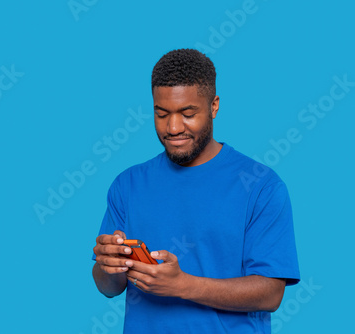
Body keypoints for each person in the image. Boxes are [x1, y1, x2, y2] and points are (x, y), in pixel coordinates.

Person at [91, 48, 300, 333]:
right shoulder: (128, 184)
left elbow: (271, 293)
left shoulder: (261, 186)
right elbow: (108, 288)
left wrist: (182, 285)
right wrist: (108, 265)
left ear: (214, 106)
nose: (173, 127)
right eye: (162, 114)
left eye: (187, 113)